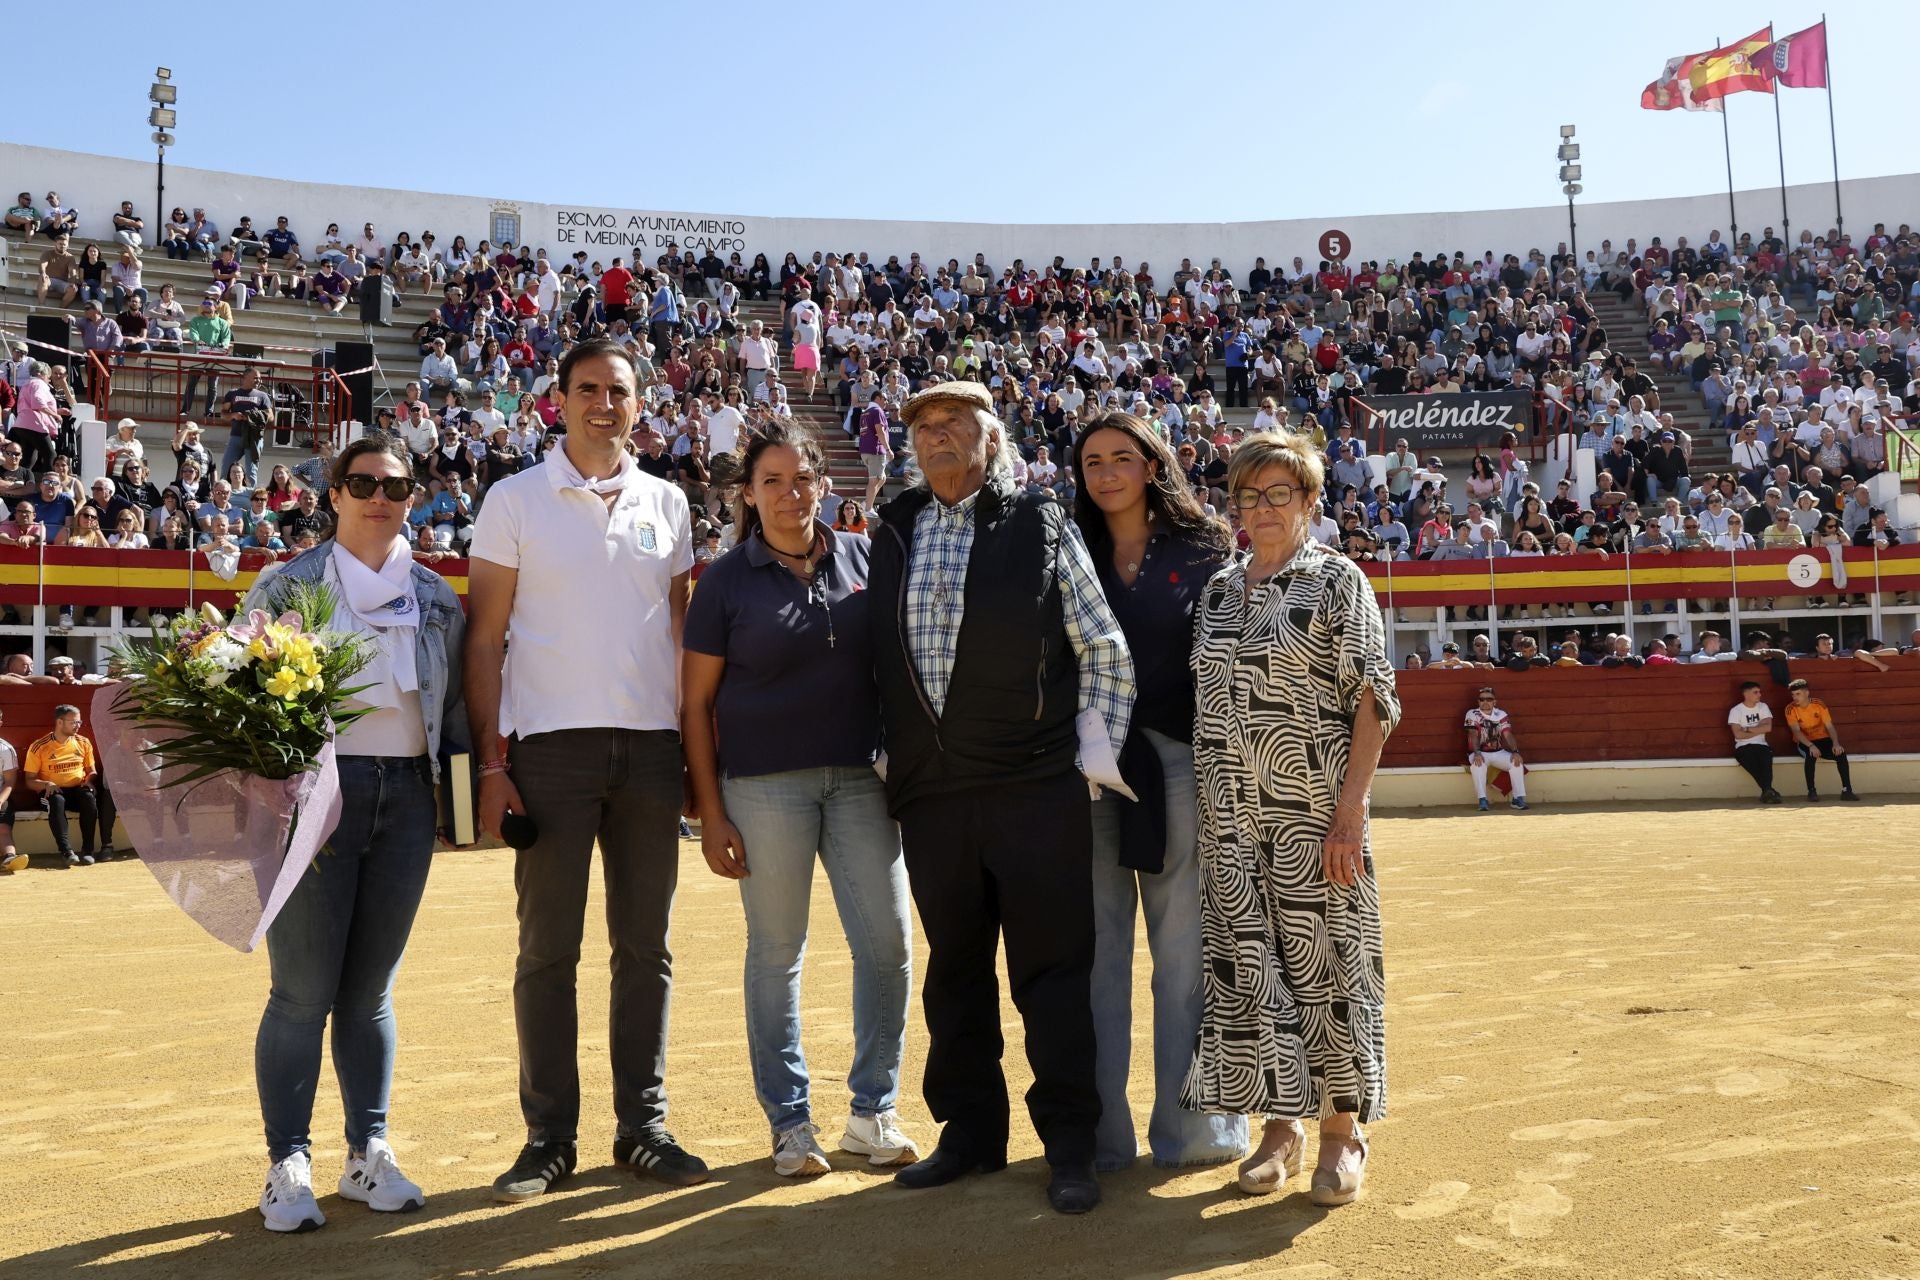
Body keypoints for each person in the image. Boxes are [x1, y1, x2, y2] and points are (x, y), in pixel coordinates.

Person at [867, 380, 1135, 1216]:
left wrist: (1089, 762)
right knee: (953, 974)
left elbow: (1104, 649)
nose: (937, 438)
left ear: (993, 439)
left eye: (954, 425)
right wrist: (892, 756)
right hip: (933, 796)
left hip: (1034, 787)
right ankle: (971, 1135)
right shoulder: (895, 529)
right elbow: (878, 662)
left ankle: (1068, 1146)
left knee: (1053, 975)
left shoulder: (1042, 521)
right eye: (924, 428)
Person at [465, 338, 707, 1203]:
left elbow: (683, 639)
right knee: (547, 953)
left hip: (650, 751)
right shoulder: (512, 499)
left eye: (620, 391)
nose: (605, 403)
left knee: (648, 949)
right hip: (550, 753)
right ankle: (549, 1137)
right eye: (589, 390)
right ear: (559, 400)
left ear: (642, 403)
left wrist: (690, 754)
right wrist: (493, 764)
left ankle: (642, 1129)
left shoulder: (669, 502)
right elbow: (484, 639)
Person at [240, 435, 468, 1233]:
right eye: (363, 482)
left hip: (407, 796)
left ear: (414, 495)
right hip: (313, 800)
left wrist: (462, 812)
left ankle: (367, 1152)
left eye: (396, 484)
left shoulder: (440, 597)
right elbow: (239, 709)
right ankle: (288, 1161)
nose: (380, 496)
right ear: (332, 494)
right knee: (302, 992)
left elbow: (457, 717)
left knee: (369, 992)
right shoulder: (286, 583)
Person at [680, 423, 919, 1178]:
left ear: (825, 483)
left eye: (803, 479)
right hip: (762, 788)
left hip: (859, 782)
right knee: (778, 954)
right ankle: (790, 1123)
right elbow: (695, 706)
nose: (790, 495)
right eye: (773, 481)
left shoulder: (863, 558)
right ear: (747, 493)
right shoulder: (723, 580)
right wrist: (710, 810)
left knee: (889, 945)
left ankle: (872, 1110)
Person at [1182, 431, 1399, 1208]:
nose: (1263, 508)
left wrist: (1352, 815)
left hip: (1313, 817)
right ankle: (1281, 1126)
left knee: (1330, 970)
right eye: (1249, 496)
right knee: (1251, 974)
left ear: (1309, 501)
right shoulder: (1218, 592)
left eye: (1280, 494)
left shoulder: (1337, 581)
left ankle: (1342, 1131)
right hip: (1230, 824)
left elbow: (1374, 699)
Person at [1071, 411, 1248, 1174]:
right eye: (1091, 462)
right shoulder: (1067, 548)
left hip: (1177, 761)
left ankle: (1196, 1133)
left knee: (1183, 954)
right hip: (1089, 768)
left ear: (1151, 465)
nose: (1106, 473)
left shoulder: (1205, 547)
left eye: (1121, 457)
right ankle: (1102, 1140)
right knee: (1098, 957)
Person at [25, 703, 115, 866]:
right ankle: (66, 851)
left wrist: (89, 781)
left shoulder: (83, 742)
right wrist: (46, 784)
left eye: (79, 722)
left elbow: (91, 770)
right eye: (73, 722)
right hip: (51, 792)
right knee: (56, 801)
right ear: (60, 722)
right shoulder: (39, 746)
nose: (78, 726)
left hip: (77, 789)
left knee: (89, 798)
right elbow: (29, 781)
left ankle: (88, 850)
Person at [1782, 678, 1858, 802]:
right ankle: (1811, 791)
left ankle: (1847, 790)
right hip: (1804, 742)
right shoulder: (1790, 709)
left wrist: (1835, 743)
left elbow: (1829, 726)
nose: (1795, 697)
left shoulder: (1819, 704)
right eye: (1793, 694)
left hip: (1823, 739)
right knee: (1810, 755)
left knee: (1841, 753)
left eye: (1798, 694)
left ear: (1807, 693)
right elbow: (1796, 731)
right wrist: (1811, 745)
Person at [1464, 687, 1529, 811]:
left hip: (1498, 752)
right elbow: (1472, 734)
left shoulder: (1501, 714)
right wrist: (1477, 753)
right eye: (1482, 699)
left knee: (1516, 763)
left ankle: (1517, 798)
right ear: (1478, 701)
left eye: (1489, 699)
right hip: (1478, 752)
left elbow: (1507, 734)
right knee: (1478, 765)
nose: (1485, 701)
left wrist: (1515, 752)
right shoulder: (1472, 714)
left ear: (1495, 702)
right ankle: (1482, 800)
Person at [1728, 681, 1782, 804]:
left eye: (1759, 692)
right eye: (1755, 692)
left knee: (1766, 759)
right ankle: (1768, 790)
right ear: (1746, 694)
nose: (1759, 695)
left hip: (1761, 744)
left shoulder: (1763, 707)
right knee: (1751, 763)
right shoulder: (1736, 710)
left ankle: (1767, 791)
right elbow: (1738, 734)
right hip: (1742, 746)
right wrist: (1759, 728)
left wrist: (1746, 729)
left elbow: (1768, 728)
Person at [0, 704, 19, 874]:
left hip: (0, 795)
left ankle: (10, 856)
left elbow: (10, 782)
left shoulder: (5, 749)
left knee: (3, 827)